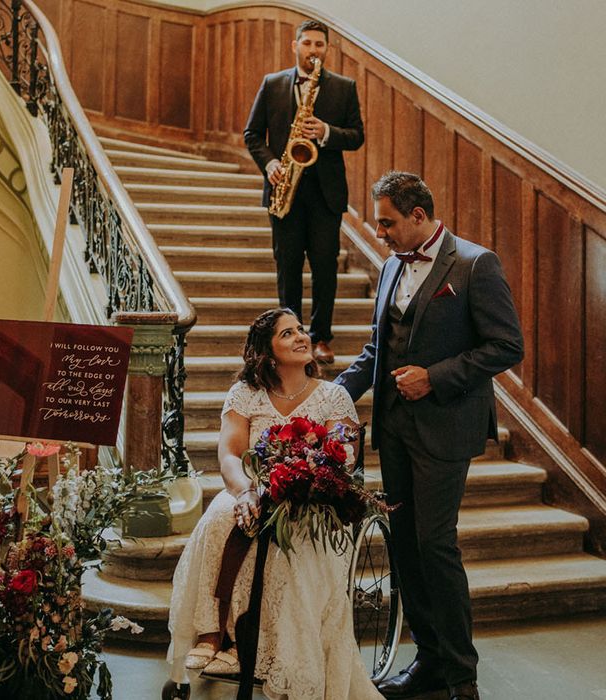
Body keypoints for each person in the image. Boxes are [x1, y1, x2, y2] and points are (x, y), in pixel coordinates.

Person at [334, 172, 524, 700]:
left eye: (388, 222)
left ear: (419, 216)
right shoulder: (393, 264)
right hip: (393, 430)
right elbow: (379, 347)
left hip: (444, 428)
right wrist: (330, 395)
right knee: (405, 551)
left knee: (435, 545)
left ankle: (463, 676)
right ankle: (431, 662)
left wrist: (433, 377)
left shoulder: (474, 263)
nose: (380, 234)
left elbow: (507, 346)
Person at [165, 308, 383, 700]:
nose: (301, 337)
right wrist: (246, 491)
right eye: (288, 334)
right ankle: (212, 632)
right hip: (252, 486)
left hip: (311, 501)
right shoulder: (245, 395)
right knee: (218, 520)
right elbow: (231, 454)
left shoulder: (333, 397)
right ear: (268, 352)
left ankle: (244, 644)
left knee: (285, 549)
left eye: (301, 330)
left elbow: (344, 454)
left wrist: (309, 475)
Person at [243, 19, 364, 365]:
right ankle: (289, 337)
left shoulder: (344, 86)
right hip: (284, 189)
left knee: (325, 266)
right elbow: (252, 134)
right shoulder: (272, 83)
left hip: (325, 193)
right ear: (294, 45)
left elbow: (356, 135)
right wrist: (268, 165)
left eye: (319, 45)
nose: (313, 50)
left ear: (327, 49)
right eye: (307, 43)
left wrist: (326, 131)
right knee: (288, 266)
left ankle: (321, 337)